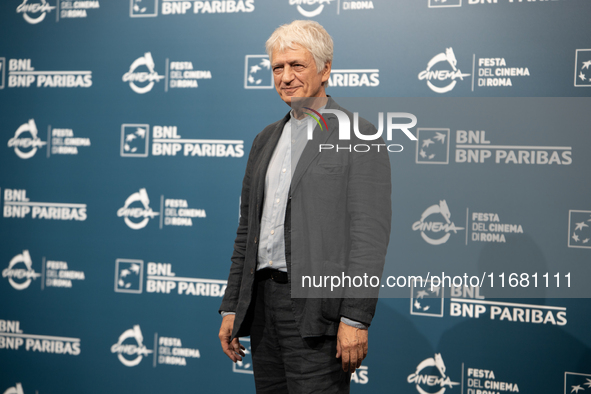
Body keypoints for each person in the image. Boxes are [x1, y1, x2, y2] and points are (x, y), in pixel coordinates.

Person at [218, 20, 391, 394]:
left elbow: (369, 238)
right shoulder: (264, 139)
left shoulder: (357, 135)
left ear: (325, 69)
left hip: (319, 313)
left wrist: (355, 319)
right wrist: (233, 305)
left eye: (297, 65)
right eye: (278, 68)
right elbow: (247, 231)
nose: (286, 76)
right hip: (262, 309)